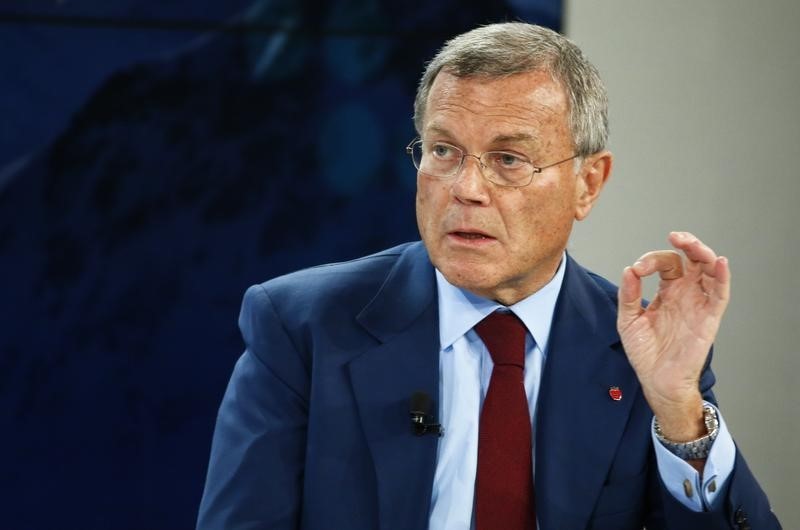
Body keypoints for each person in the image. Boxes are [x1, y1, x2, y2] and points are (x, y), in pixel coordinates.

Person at [196, 22, 780, 530]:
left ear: (588, 183)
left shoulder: (639, 348)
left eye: (508, 160)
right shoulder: (302, 327)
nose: (466, 190)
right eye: (444, 151)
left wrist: (677, 407)